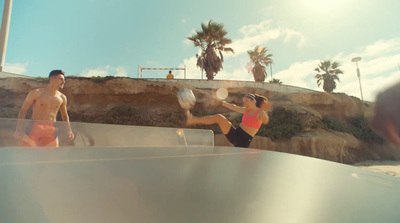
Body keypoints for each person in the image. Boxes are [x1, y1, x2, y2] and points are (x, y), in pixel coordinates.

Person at [14, 69, 74, 147]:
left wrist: (69, 131)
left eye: (64, 80)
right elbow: (23, 110)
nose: (63, 82)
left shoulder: (62, 97)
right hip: (35, 126)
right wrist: (18, 129)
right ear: (52, 79)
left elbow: (64, 116)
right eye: (61, 79)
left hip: (51, 128)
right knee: (27, 153)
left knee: (50, 155)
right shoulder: (36, 93)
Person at [186, 94, 271, 148]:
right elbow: (234, 107)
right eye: (243, 102)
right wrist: (222, 102)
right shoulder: (246, 110)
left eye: (246, 101)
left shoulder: (259, 112)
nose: (244, 103)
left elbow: (265, 121)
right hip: (235, 134)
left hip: (243, 141)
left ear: (253, 101)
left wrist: (265, 114)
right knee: (219, 117)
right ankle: (193, 119)